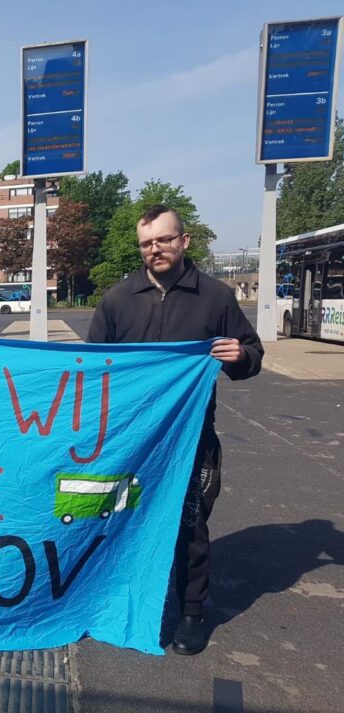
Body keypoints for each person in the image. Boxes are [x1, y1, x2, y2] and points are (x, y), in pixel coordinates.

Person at [87, 205, 263, 655]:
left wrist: (240, 356)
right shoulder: (118, 299)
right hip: (130, 440)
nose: (155, 250)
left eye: (164, 240)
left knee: (189, 526)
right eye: (147, 243)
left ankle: (191, 613)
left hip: (188, 438)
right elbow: (91, 369)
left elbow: (252, 354)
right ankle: (107, 598)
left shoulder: (216, 298)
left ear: (184, 241)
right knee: (117, 518)